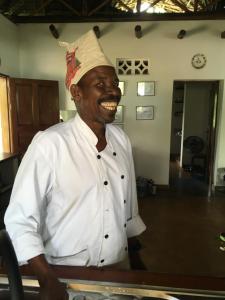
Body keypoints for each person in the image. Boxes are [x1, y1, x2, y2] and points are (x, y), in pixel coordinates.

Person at [4, 30, 146, 300]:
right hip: (67, 278)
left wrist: (138, 268)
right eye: (101, 84)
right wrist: (46, 278)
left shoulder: (121, 140)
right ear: (76, 92)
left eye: (115, 83)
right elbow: (20, 220)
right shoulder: (50, 144)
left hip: (117, 276)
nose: (113, 91)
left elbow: (127, 210)